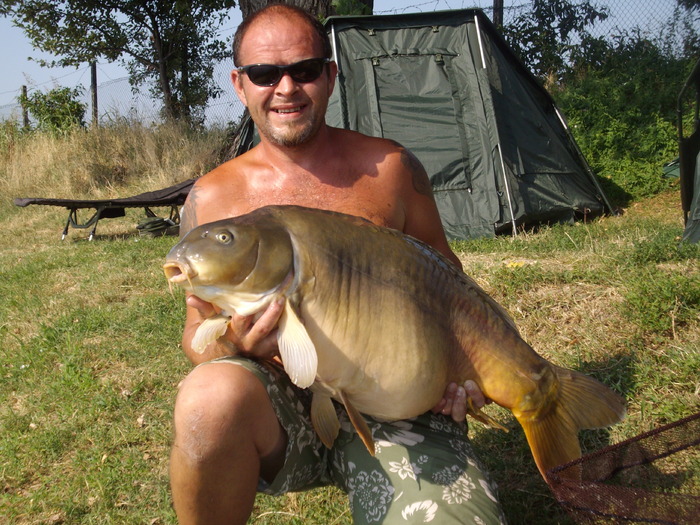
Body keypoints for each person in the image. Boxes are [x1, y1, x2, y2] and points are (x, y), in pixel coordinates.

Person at [169, 4, 506, 524]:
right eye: (264, 74)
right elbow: (196, 337)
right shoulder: (213, 199)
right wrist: (234, 344)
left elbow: (446, 277)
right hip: (280, 402)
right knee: (207, 398)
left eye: (304, 70)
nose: (286, 88)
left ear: (330, 75)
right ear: (240, 84)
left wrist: (459, 367)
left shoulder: (390, 169)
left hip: (397, 401)